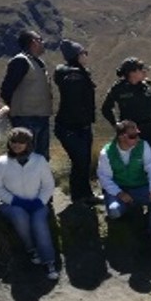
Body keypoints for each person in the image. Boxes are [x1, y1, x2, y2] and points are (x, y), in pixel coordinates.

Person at [0, 127, 58, 280]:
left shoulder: (39, 161)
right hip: (10, 204)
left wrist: (40, 201)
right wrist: (15, 201)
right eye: (14, 141)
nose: (17, 145)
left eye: (21, 142)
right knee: (20, 216)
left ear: (28, 143)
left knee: (39, 222)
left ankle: (49, 261)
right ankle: (31, 249)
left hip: (37, 202)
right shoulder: (1, 162)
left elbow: (48, 185)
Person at [97, 120, 151, 249]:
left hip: (141, 187)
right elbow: (104, 178)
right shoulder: (107, 152)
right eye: (133, 136)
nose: (137, 139)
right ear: (122, 137)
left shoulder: (143, 146)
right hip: (119, 189)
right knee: (114, 211)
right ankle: (130, 210)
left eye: (137, 135)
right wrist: (119, 193)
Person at [0, 29, 53, 159]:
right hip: (25, 118)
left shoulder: (38, 62)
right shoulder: (21, 61)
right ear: (34, 42)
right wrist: (14, 109)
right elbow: (6, 89)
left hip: (41, 117)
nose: (43, 43)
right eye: (41, 40)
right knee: (25, 156)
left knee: (41, 157)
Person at [54, 39, 96, 203]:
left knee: (84, 162)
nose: (86, 56)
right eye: (83, 53)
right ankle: (78, 197)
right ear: (76, 56)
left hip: (82, 125)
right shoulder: (72, 75)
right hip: (70, 126)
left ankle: (86, 194)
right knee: (79, 160)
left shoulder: (79, 73)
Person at [101, 57, 151, 158]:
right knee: (129, 159)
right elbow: (106, 108)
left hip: (147, 129)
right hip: (128, 131)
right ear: (132, 73)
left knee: (150, 159)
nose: (145, 72)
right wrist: (116, 124)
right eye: (141, 70)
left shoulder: (147, 86)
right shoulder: (119, 88)